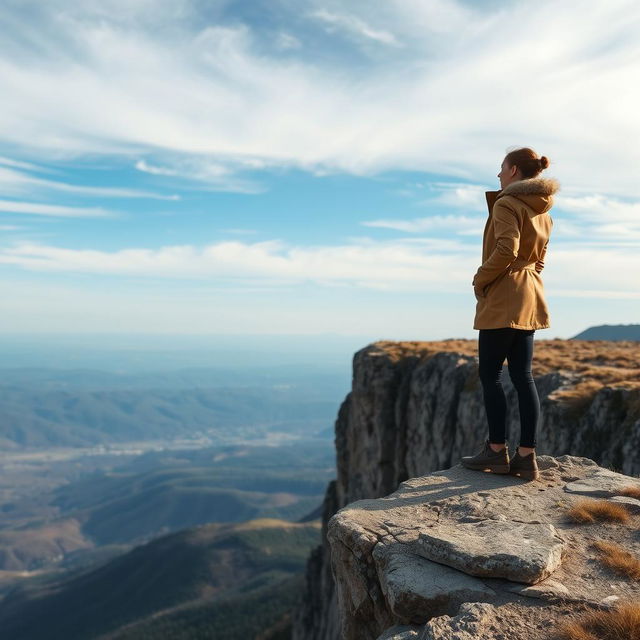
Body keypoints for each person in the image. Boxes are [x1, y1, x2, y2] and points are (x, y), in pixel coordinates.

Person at [460, 147, 559, 481]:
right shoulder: (544, 211)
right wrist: (527, 274)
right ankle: (526, 457)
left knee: (490, 376)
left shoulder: (507, 203)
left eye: (501, 168)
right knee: (523, 376)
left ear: (515, 170)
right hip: (530, 295)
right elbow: (540, 258)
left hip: (504, 297)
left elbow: (507, 249)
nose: (499, 174)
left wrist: (480, 278)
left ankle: (496, 450)